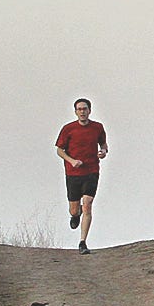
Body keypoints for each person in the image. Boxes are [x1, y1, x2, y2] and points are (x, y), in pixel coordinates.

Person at [55, 98, 107, 254]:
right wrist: (71, 161)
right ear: (75, 112)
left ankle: (82, 242)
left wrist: (103, 152)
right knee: (74, 209)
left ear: (89, 111)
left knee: (88, 204)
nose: (82, 112)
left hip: (91, 171)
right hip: (73, 173)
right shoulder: (68, 129)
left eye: (85, 109)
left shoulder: (97, 127)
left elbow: (103, 144)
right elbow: (59, 150)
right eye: (79, 109)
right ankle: (75, 215)